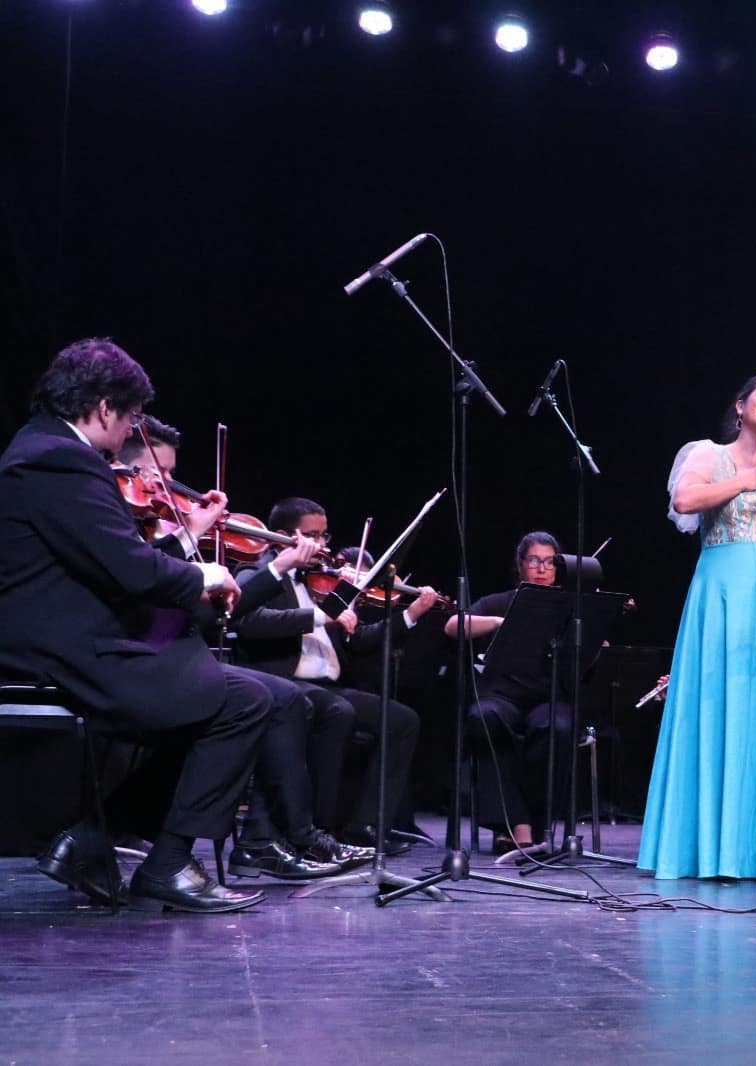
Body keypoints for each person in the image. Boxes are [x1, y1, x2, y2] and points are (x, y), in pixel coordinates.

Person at [0, 338, 271, 912]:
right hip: (60, 646)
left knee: (212, 689)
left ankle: (93, 839)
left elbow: (108, 555)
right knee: (241, 699)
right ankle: (167, 865)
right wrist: (208, 577)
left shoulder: (41, 449)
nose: (129, 434)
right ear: (103, 409)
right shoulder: (61, 460)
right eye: (129, 419)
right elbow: (128, 566)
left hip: (66, 633)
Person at [118, 421, 362, 880]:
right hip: (140, 658)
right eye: (155, 475)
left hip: (175, 655)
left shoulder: (163, 532)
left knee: (286, 701)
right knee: (265, 699)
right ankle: (263, 840)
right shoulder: (128, 528)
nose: (165, 489)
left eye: (170, 477)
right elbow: (159, 600)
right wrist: (196, 538)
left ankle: (270, 838)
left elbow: (213, 616)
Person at [638, 373, 756, 879]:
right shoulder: (706, 453)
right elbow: (683, 502)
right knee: (718, 705)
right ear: (740, 405)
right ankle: (708, 846)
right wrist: (743, 481)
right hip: (724, 589)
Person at [230, 496, 435, 854]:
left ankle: (364, 825)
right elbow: (250, 622)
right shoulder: (257, 575)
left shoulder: (321, 582)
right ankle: (318, 830)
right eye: (314, 536)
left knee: (402, 720)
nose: (324, 547)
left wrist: (410, 615)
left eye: (325, 536)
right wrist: (318, 617)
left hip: (329, 686)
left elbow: (359, 642)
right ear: (283, 535)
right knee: (338, 711)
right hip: (282, 683)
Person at [442, 531, 579, 853]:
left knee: (556, 728)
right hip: (500, 696)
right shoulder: (498, 601)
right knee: (484, 720)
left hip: (547, 697)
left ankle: (535, 820)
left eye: (550, 562)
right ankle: (512, 824)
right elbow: (452, 626)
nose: (542, 568)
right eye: (534, 561)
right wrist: (497, 622)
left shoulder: (566, 607)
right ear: (520, 565)